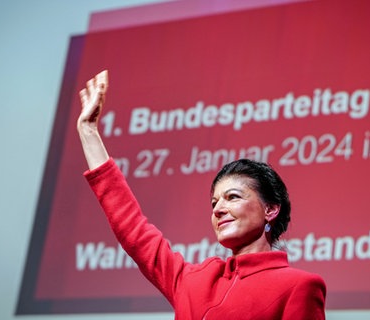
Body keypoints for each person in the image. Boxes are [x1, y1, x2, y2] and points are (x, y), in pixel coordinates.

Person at [78, 70, 326, 319]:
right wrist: (88, 131)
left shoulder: (299, 286)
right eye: (214, 202)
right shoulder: (193, 281)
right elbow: (132, 227)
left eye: (233, 197)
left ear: (270, 209)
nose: (218, 209)